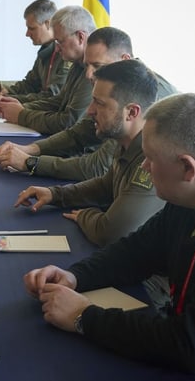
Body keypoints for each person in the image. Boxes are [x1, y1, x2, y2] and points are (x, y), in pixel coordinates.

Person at [23, 93, 195, 381]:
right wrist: (76, 275)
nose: (145, 168)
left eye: (151, 159)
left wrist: (84, 317)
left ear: (188, 169)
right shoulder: (192, 194)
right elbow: (138, 249)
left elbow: (192, 347)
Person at [0, 27, 177, 181]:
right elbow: (81, 133)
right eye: (87, 65)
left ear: (125, 59)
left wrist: (30, 162)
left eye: (97, 66)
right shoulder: (121, 82)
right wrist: (32, 149)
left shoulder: (142, 94)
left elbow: (98, 167)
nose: (89, 74)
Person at [14, 59, 164, 246]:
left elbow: (109, 233)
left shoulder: (153, 158)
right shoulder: (127, 140)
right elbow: (106, 186)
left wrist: (86, 215)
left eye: (99, 103)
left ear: (131, 112)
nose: (90, 111)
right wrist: (55, 194)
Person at [0, 5, 96, 134]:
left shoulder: (94, 71)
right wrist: (20, 107)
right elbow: (59, 101)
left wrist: (22, 115)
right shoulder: (77, 64)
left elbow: (69, 122)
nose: (57, 49)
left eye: (60, 42)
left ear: (81, 37)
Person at [0, 0, 70, 105]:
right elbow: (31, 84)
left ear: (48, 23)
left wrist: (11, 99)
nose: (27, 34)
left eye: (32, 28)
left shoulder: (66, 54)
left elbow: (51, 96)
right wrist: (7, 91)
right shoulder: (46, 50)